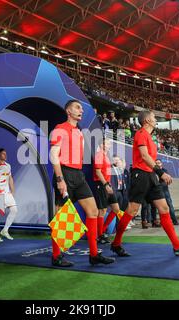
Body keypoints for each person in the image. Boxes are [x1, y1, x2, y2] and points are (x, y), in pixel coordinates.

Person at [110, 110, 179, 257]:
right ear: (146, 121)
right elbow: (144, 156)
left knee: (164, 208)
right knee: (132, 210)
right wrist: (161, 172)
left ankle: (177, 246)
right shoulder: (140, 134)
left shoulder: (150, 137)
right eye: (153, 117)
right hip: (141, 175)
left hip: (151, 175)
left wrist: (156, 173)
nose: (155, 119)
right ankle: (116, 243)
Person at [49, 99, 115, 267]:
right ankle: (56, 256)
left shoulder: (79, 132)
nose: (81, 111)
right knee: (61, 217)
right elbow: (53, 155)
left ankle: (93, 255)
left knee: (93, 211)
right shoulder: (60, 128)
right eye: (77, 108)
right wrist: (59, 179)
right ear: (68, 111)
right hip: (64, 174)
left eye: (81, 108)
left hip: (78, 176)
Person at [92, 138, 121, 244]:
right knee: (102, 211)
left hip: (107, 184)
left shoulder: (106, 156)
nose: (109, 145)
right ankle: (100, 235)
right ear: (102, 144)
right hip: (101, 184)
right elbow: (98, 172)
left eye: (109, 143)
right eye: (107, 143)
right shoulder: (99, 155)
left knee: (116, 209)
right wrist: (105, 184)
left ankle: (102, 231)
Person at [0, 148, 18, 242]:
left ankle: (5, 231)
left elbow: (10, 178)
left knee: (14, 210)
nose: (5, 155)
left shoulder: (8, 166)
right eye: (3, 154)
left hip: (7, 193)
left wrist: (13, 190)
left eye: (6, 153)